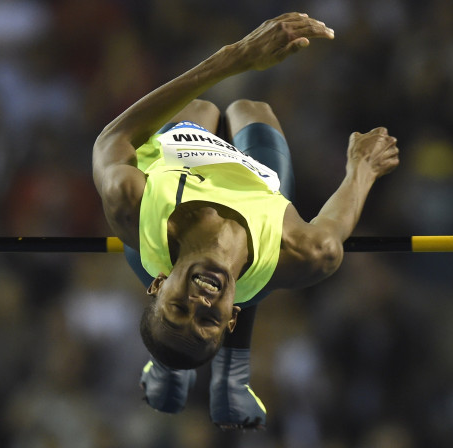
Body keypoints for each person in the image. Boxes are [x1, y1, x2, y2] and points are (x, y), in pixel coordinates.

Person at [91, 12, 399, 429]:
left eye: (179, 306)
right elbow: (331, 234)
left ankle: (167, 367)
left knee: (202, 105)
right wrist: (362, 168)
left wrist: (237, 57)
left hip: (179, 166)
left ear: (160, 284)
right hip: (253, 186)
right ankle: (229, 374)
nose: (199, 304)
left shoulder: (132, 202)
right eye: (209, 319)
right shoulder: (299, 251)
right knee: (249, 107)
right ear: (231, 317)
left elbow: (111, 140)